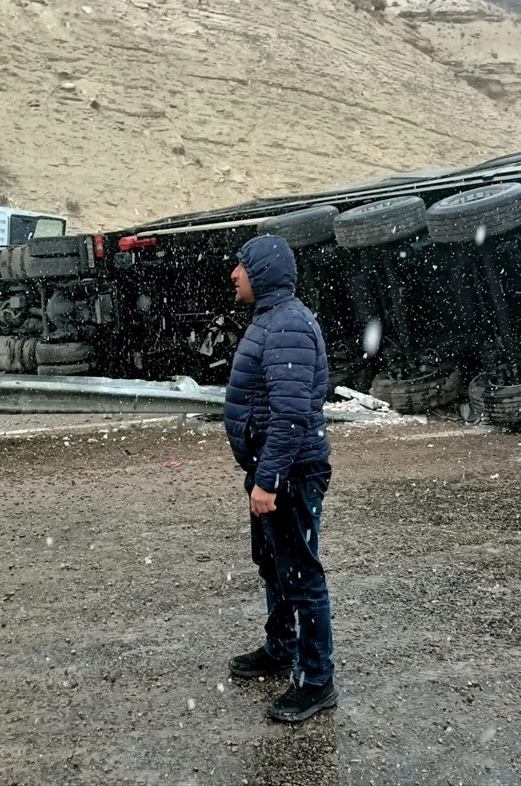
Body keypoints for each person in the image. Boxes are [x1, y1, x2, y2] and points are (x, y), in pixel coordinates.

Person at [222, 234, 337, 723]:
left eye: (241, 266)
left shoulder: (287, 324)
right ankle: (280, 647)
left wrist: (267, 481)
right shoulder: (272, 320)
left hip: (288, 473)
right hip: (271, 470)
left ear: (262, 271)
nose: (234, 274)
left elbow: (290, 417)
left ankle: (317, 681)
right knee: (274, 565)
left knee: (300, 574)